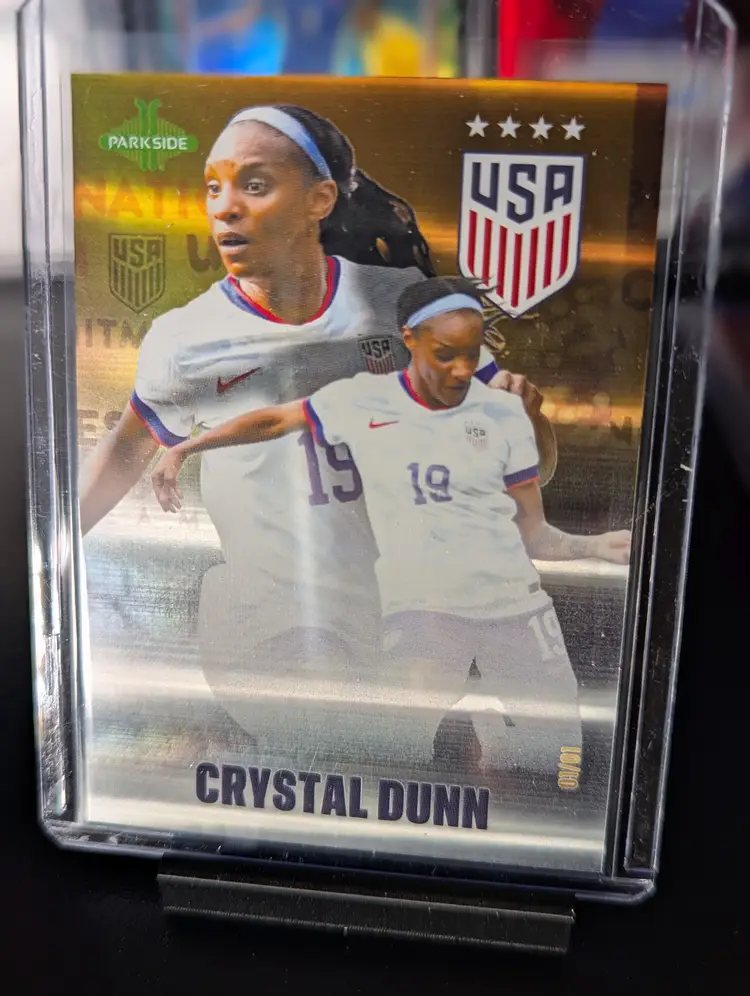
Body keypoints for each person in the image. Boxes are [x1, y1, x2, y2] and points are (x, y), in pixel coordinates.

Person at [80, 104, 545, 675]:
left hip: (411, 618)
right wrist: (49, 554)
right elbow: (126, 452)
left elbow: (530, 461)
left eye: (254, 185)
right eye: (213, 188)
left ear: (320, 199)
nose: (224, 207)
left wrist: (528, 420)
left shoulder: (400, 304)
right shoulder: (185, 338)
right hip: (270, 625)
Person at [152, 277, 631, 780]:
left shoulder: (443, 366)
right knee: (345, 737)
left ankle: (523, 766)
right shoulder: (334, 383)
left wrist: (526, 420)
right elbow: (270, 420)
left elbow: (535, 475)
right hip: (302, 601)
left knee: (539, 755)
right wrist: (184, 449)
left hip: (419, 605)